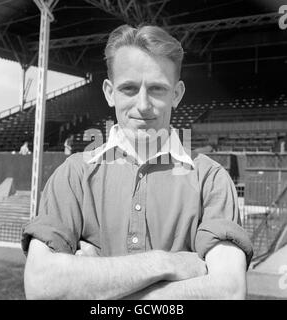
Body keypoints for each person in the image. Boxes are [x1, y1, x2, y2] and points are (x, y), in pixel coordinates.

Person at [22, 24, 253, 300]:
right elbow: (41, 286)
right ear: (109, 92)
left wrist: (93, 280)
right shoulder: (73, 175)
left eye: (157, 89)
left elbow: (228, 292)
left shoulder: (211, 179)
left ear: (176, 94)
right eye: (129, 88)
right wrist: (166, 263)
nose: (143, 105)